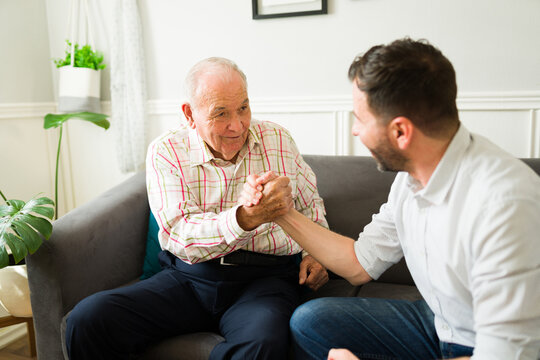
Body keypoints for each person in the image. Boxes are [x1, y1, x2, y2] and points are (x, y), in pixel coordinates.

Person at [239, 38, 540, 360]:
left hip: (486, 344)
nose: (355, 131)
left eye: (360, 119)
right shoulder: (411, 178)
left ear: (400, 132)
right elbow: (358, 264)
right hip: (443, 324)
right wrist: (280, 212)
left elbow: (508, 353)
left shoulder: (505, 204)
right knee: (311, 320)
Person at [64, 57, 330, 360]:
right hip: (189, 278)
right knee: (88, 318)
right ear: (190, 114)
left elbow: (311, 205)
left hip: (265, 280)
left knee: (261, 345)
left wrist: (315, 255)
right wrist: (246, 218)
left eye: (243, 107)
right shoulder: (166, 151)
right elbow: (181, 234)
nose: (238, 124)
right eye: (221, 113)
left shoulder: (278, 139)